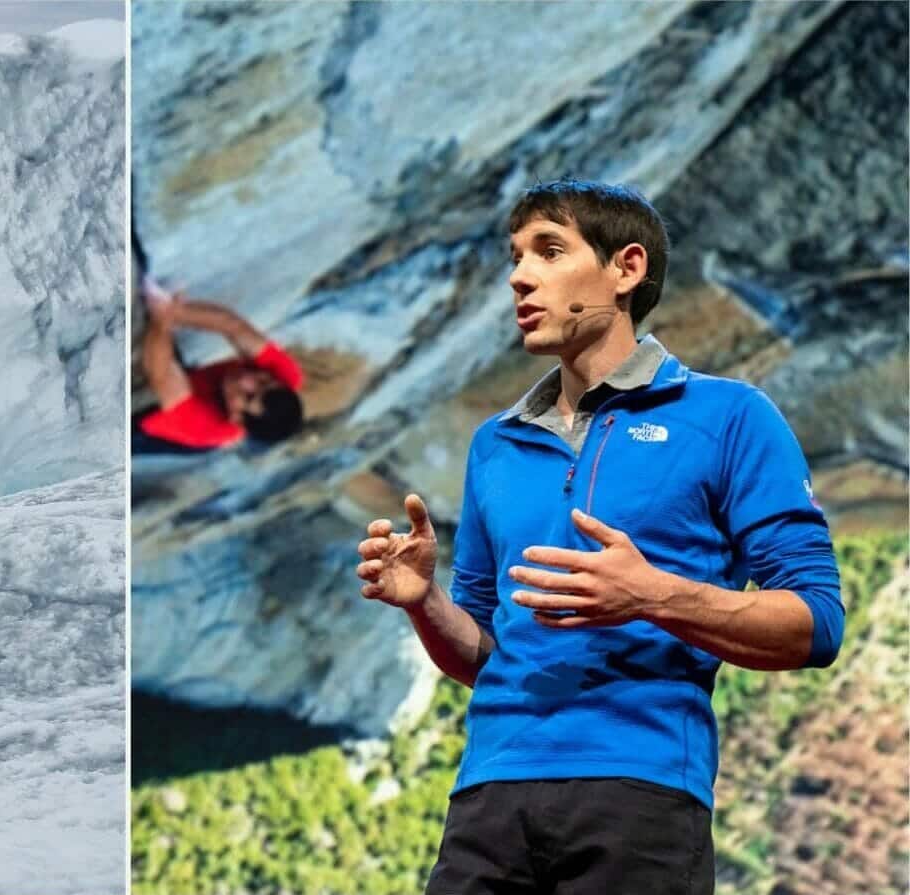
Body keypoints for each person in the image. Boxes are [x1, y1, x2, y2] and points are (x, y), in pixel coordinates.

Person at [355, 179, 843, 895]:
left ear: (627, 268)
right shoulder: (495, 444)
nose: (520, 275)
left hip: (641, 793)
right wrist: (423, 600)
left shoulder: (730, 415)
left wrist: (651, 595)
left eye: (549, 250)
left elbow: (817, 621)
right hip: (489, 796)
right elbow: (488, 655)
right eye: (516, 256)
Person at [134, 279, 304, 453]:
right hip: (191, 384)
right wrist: (175, 311)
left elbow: (161, 374)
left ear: (236, 418)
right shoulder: (286, 375)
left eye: (248, 396)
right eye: (264, 380)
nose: (247, 379)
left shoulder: (203, 427)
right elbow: (233, 326)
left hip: (146, 421)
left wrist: (162, 321)